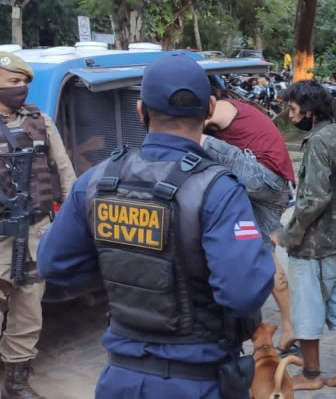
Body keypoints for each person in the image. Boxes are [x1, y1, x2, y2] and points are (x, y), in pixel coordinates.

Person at [37, 53, 275, 399]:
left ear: (140, 110)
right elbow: (243, 293)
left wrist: (120, 265)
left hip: (119, 381)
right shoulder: (218, 190)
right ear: (210, 109)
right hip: (196, 382)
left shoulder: (96, 181)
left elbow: (53, 264)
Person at [0, 52, 76, 399]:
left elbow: (64, 170)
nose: (21, 88)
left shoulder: (39, 120)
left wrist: (72, 221)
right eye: (14, 82)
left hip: (36, 231)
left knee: (29, 312)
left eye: (24, 83)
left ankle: (16, 382)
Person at [278, 80, 336, 394]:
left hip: (316, 243)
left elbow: (313, 199)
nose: (290, 115)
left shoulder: (317, 141)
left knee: (306, 307)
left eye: (293, 109)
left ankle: (311, 374)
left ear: (309, 110)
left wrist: (290, 234)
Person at [203, 93, 298, 353]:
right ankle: (290, 327)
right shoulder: (241, 113)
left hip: (265, 179)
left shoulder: (222, 107)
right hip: (274, 187)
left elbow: (189, 127)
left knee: (195, 138)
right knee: (265, 253)